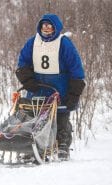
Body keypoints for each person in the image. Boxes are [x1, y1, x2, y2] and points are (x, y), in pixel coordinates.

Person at [15, 13, 86, 160]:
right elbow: (23, 62)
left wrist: (74, 93)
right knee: (33, 120)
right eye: (44, 25)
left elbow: (76, 67)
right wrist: (27, 80)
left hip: (59, 89)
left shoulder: (64, 43)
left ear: (56, 27)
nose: (46, 28)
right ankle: (33, 149)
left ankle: (62, 147)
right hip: (37, 88)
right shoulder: (32, 42)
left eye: (49, 26)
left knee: (61, 120)